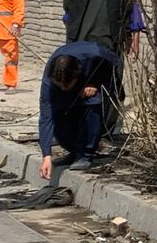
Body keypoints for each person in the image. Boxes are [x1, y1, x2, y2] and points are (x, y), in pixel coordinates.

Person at [62, 0, 135, 133]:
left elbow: (128, 3)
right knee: (78, 82)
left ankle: (106, 130)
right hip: (81, 39)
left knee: (111, 83)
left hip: (111, 40)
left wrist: (129, 33)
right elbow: (68, 2)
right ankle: (77, 128)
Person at [37, 41, 119, 180]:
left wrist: (96, 82)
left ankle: (86, 153)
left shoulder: (93, 53)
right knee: (59, 118)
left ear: (76, 75)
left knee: (92, 102)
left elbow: (115, 61)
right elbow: (46, 119)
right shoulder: (49, 84)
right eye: (59, 86)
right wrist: (46, 155)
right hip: (70, 88)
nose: (63, 89)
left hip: (90, 82)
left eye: (66, 85)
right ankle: (75, 151)